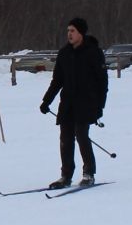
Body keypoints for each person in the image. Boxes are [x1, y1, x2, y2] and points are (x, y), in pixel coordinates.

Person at [40, 17, 107, 188]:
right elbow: (57, 81)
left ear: (81, 33)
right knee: (65, 138)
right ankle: (66, 175)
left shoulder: (93, 52)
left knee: (82, 136)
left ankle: (89, 173)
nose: (69, 34)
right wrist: (46, 101)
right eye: (68, 30)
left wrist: (100, 106)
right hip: (68, 104)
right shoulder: (64, 53)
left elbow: (102, 82)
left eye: (73, 31)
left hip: (87, 103)